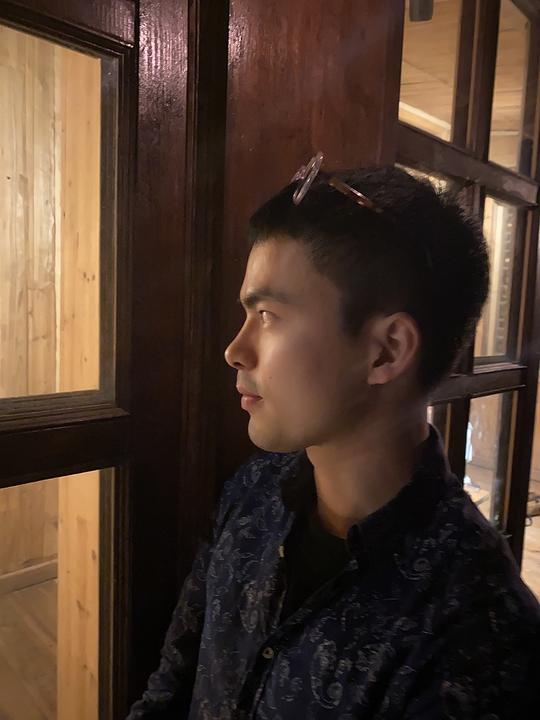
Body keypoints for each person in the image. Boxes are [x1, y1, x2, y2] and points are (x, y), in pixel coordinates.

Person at [127, 155, 540, 719]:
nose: (235, 350)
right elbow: (173, 685)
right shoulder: (254, 493)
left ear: (386, 351)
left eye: (268, 315)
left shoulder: (478, 635)